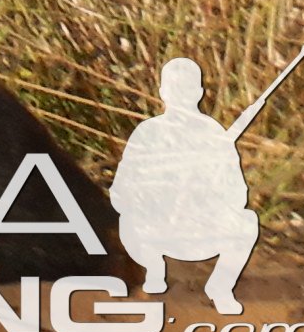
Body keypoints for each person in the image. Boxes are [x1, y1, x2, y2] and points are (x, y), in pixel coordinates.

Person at [110, 56, 268, 314]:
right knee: (126, 219)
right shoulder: (147, 133)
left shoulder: (215, 136)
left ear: (198, 93)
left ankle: (220, 286)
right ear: (164, 92)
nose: (180, 95)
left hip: (198, 231)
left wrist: (204, 191)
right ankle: (153, 273)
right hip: (154, 231)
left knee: (247, 221)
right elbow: (120, 193)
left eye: (184, 89)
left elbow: (237, 194)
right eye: (176, 89)